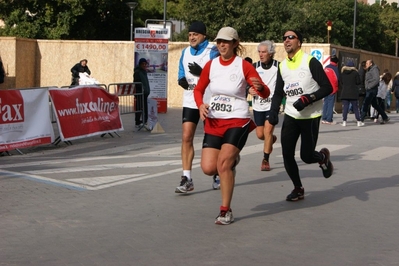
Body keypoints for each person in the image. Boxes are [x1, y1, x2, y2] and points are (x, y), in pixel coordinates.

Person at [194, 26, 270, 224]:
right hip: (214, 120)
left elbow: (264, 91)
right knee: (209, 168)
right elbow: (199, 90)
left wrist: (260, 89)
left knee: (223, 164)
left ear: (235, 44)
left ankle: (225, 210)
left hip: (237, 119)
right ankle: (233, 161)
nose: (221, 45)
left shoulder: (243, 66)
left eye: (226, 42)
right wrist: (200, 104)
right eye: (219, 41)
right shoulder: (211, 66)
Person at [268, 30, 334, 202]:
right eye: (284, 38)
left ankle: (322, 157)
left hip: (310, 116)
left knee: (306, 156)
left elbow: (328, 87)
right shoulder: (282, 66)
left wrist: (308, 99)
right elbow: (277, 93)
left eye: (291, 37)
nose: (287, 40)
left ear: (299, 42)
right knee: (287, 154)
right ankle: (298, 188)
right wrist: (273, 111)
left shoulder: (310, 62)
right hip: (291, 115)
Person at [175, 21, 219, 193]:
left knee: (213, 139)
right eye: (190, 34)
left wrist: (202, 73)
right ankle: (187, 178)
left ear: (204, 36)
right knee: (186, 137)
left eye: (196, 34)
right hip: (191, 100)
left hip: (210, 101)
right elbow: (181, 72)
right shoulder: (185, 52)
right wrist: (181, 80)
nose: (192, 37)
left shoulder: (213, 51)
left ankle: (217, 172)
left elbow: (220, 72)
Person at [249, 40, 279, 171]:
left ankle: (265, 159)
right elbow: (245, 83)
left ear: (271, 53)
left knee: (267, 130)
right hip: (258, 106)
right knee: (260, 134)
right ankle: (271, 139)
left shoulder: (279, 66)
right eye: (259, 52)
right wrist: (248, 90)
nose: (261, 55)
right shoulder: (254, 67)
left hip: (272, 104)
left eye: (264, 52)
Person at [360, 60, 390, 124]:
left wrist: (369, 86)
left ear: (371, 64)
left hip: (372, 90)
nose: (366, 64)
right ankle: (385, 117)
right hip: (370, 89)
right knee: (375, 105)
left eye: (367, 63)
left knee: (366, 103)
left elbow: (376, 79)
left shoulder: (374, 69)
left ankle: (361, 119)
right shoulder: (369, 69)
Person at [340, 61, 362, 127]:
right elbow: (358, 82)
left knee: (345, 108)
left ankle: (344, 121)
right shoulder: (355, 73)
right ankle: (358, 121)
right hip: (353, 92)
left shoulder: (343, 73)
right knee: (355, 107)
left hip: (345, 92)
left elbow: (341, 82)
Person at [133, 58, 151, 129]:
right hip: (140, 93)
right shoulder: (137, 72)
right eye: (143, 64)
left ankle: (145, 121)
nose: (144, 65)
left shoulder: (144, 72)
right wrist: (141, 90)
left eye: (145, 64)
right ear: (140, 64)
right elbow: (137, 83)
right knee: (139, 107)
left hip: (145, 93)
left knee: (145, 108)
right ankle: (137, 122)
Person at [321, 55, 339, 125]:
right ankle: (329, 119)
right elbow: (337, 79)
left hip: (325, 87)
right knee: (330, 104)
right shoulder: (335, 68)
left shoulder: (326, 67)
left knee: (325, 103)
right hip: (332, 88)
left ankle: (324, 118)